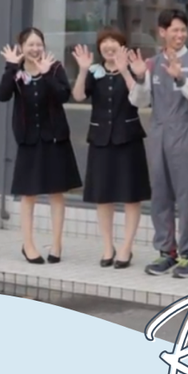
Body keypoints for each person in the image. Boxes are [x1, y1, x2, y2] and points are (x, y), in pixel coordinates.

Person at [128, 10, 188, 279]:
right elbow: (138, 101)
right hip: (158, 131)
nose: (180, 34)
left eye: (183, 30)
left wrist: (180, 78)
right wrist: (140, 78)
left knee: (187, 195)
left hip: (186, 130)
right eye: (174, 30)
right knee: (160, 194)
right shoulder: (151, 63)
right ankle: (166, 251)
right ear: (162, 32)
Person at [0, 27, 81, 264]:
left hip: (55, 138)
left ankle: (57, 243)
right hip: (28, 140)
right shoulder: (16, 70)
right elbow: (1, 95)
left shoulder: (55, 67)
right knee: (28, 194)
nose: (35, 49)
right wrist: (10, 67)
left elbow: (63, 96)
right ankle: (28, 244)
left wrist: (46, 75)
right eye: (30, 44)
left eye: (38, 44)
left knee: (56, 193)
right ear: (22, 47)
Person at [71, 27, 152, 269]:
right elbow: (78, 96)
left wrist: (126, 71)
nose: (108, 46)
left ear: (122, 46)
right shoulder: (94, 72)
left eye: (113, 42)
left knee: (131, 196)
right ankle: (108, 246)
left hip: (128, 139)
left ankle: (126, 247)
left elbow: (141, 100)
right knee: (103, 196)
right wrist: (82, 70)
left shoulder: (134, 69)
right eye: (104, 42)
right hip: (100, 139)